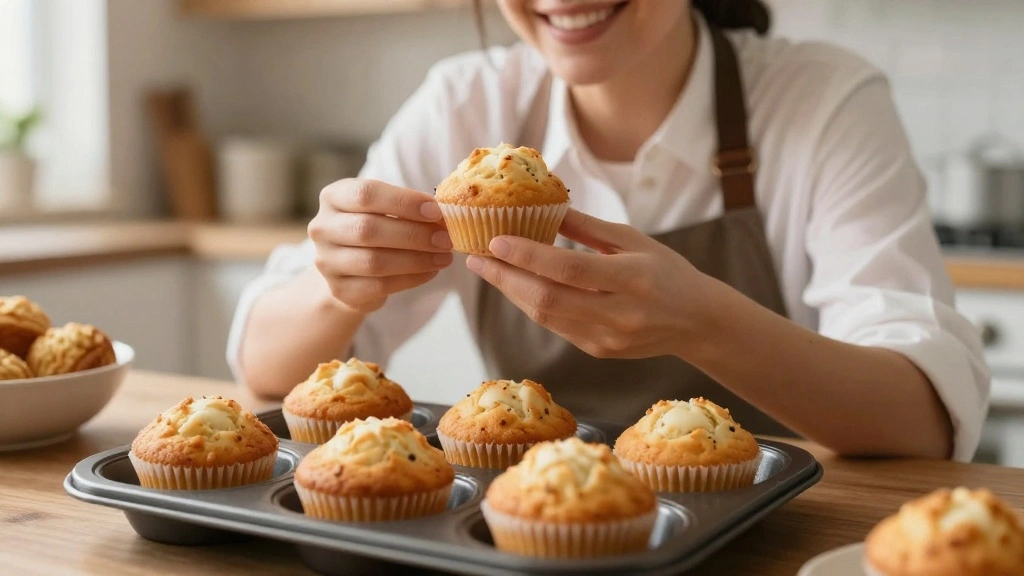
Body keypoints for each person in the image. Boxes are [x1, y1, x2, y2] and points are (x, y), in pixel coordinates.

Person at [226, 0, 990, 461]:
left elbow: (922, 419)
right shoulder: (464, 105)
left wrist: (703, 321)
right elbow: (265, 369)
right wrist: (339, 286)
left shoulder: (821, 102)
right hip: (531, 538)